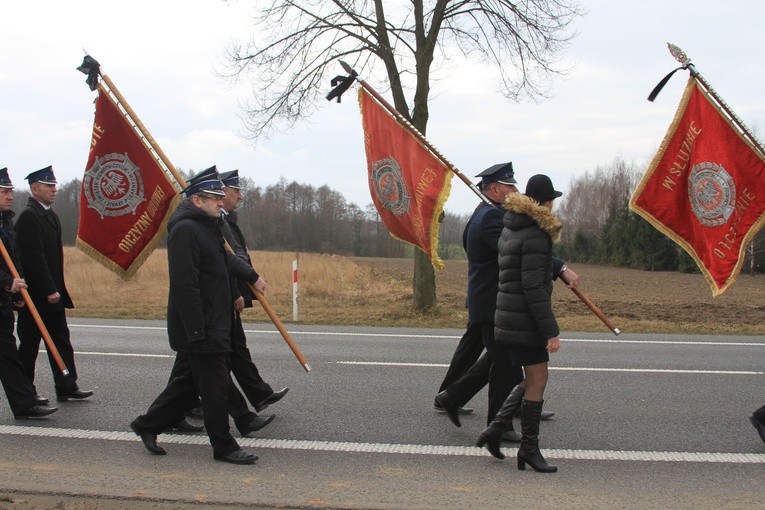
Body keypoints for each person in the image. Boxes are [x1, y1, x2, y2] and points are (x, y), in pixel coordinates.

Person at [130, 166, 263, 464]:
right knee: (214, 389)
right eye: (214, 197)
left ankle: (147, 424)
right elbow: (184, 285)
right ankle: (224, 446)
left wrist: (251, 276)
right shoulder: (185, 231)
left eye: (220, 196)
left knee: (187, 384)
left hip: (215, 321)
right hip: (201, 325)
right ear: (196, 200)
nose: (221, 201)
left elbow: (226, 260)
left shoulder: (208, 226)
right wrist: (196, 330)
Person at [435, 164, 576, 439]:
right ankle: (495, 420)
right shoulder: (490, 218)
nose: (515, 191)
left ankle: (457, 397)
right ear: (496, 189)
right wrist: (559, 268)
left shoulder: (490, 214)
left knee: (498, 360)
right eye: (510, 187)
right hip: (493, 301)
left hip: (491, 299)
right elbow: (520, 249)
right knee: (504, 364)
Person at [476, 174, 564, 473]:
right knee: (538, 381)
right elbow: (533, 288)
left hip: (508, 317)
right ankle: (529, 449)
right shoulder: (537, 234)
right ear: (547, 202)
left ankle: (495, 429)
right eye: (552, 200)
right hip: (525, 322)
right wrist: (551, 330)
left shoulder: (511, 227)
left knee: (528, 379)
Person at [15, 166, 92, 403]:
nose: (54, 190)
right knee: (29, 345)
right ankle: (25, 390)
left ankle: (66, 385)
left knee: (60, 340)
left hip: (53, 293)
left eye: (54, 185)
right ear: (35, 188)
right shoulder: (29, 216)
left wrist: (57, 289)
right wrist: (48, 289)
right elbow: (33, 259)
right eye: (48, 186)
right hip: (37, 296)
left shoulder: (50, 215)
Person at [218, 170, 289, 412]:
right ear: (223, 191)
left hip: (227, 295)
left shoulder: (227, 219)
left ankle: (260, 395)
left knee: (235, 348)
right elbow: (224, 261)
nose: (240, 196)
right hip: (220, 298)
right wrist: (234, 292)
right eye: (236, 191)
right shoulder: (217, 221)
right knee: (209, 360)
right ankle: (163, 414)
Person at [0, 168, 58, 419]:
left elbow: (15, 259)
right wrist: (6, 282)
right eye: (4, 192)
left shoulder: (6, 221)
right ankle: (25, 402)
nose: (10, 196)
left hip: (2, 301)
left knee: (8, 356)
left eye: (10, 191)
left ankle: (24, 404)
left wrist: (17, 290)